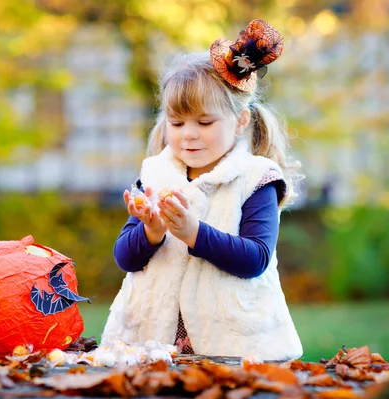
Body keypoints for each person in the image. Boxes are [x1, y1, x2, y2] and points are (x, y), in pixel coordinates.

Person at [102, 19, 303, 360]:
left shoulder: (256, 179)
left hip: (234, 346)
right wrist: (151, 231)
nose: (188, 134)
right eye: (177, 123)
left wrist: (193, 232)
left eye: (204, 123)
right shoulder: (155, 174)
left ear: (240, 122)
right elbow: (125, 258)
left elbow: (256, 259)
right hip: (153, 344)